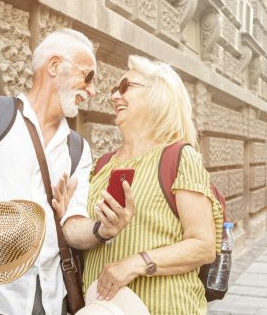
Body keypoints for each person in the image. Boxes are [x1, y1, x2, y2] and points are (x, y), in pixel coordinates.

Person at [0, 29, 135, 315]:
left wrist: (102, 230)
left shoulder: (78, 149)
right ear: (54, 66)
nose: (91, 91)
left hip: (48, 303)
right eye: (87, 76)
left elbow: (71, 226)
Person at [80, 55, 224, 315]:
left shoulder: (179, 158)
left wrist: (135, 263)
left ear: (159, 95)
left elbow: (203, 245)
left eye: (125, 87)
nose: (114, 97)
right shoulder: (101, 165)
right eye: (114, 90)